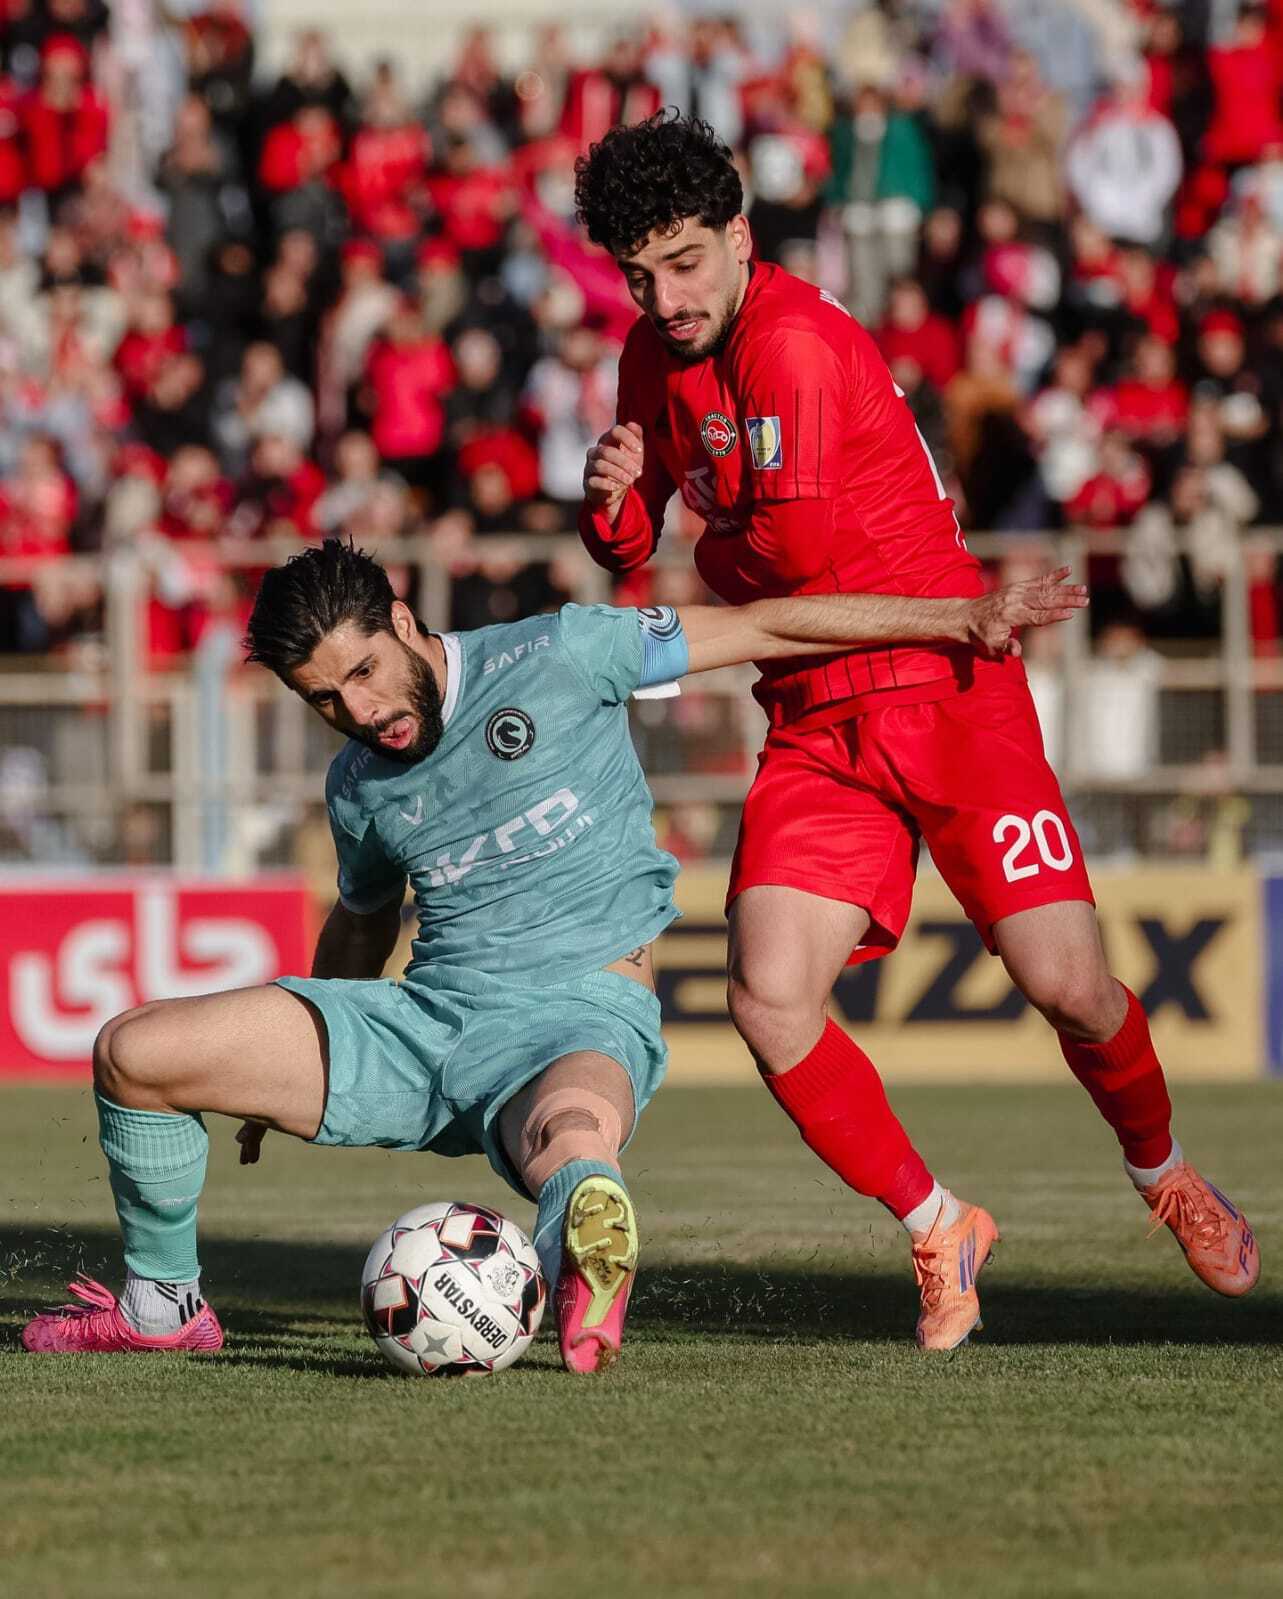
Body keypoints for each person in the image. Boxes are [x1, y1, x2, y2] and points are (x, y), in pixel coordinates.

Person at [21, 539, 1081, 1372]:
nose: (361, 711)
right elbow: (361, 922)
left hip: (577, 1014)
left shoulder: (564, 653)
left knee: (569, 1131)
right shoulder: (357, 785)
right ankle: (160, 1308)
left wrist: (958, 616)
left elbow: (766, 623)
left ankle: (582, 1257)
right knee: (135, 1050)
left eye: (364, 673)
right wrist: (266, 1077)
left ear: (403, 620)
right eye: (325, 699)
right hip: (425, 1023)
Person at [573, 111, 1260, 1353]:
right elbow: (638, 542)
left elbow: (783, 565)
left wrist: (695, 553)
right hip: (812, 712)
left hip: (943, 685)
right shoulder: (650, 355)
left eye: (682, 263)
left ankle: (1160, 1170)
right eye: (638, 275)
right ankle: (940, 1225)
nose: (664, 299)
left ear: (739, 237)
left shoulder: (789, 345)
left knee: (1069, 988)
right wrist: (611, 501)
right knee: (767, 999)